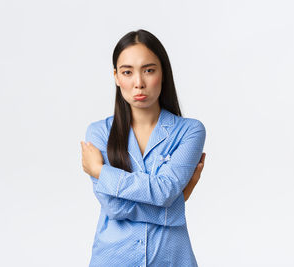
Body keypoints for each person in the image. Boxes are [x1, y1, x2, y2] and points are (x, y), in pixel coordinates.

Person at [80, 29, 206, 267]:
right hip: (112, 259)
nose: (138, 83)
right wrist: (175, 205)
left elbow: (165, 191)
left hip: (171, 259)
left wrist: (101, 172)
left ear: (163, 73)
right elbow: (114, 207)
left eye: (149, 70)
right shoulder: (98, 133)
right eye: (127, 72)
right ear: (116, 77)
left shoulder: (190, 131)